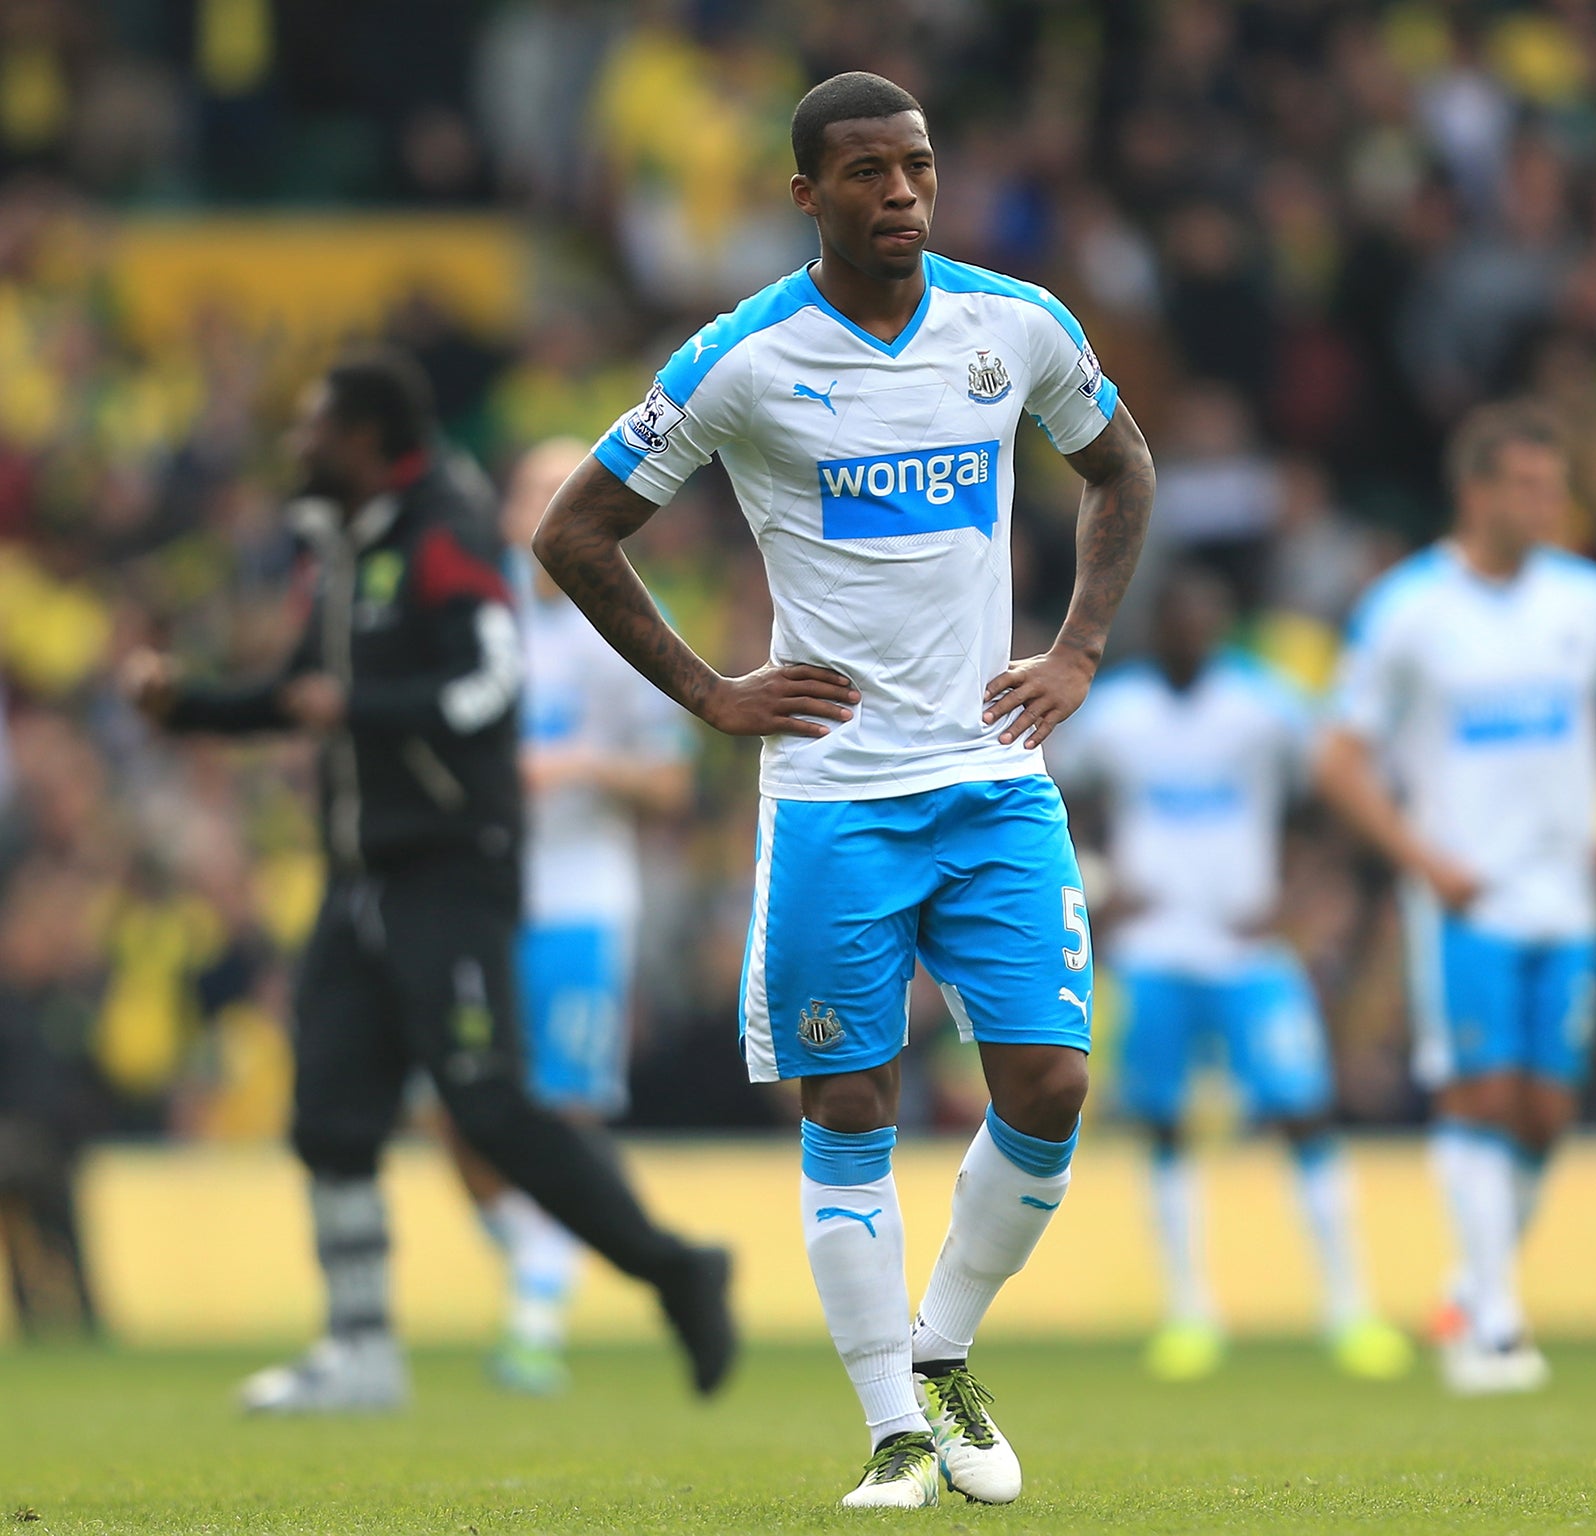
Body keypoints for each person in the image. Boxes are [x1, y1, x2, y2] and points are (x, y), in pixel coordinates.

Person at [529, 73, 1154, 1508]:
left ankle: (942, 1350)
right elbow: (577, 532)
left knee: (1053, 1080)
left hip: (993, 778)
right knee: (847, 1100)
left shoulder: (1016, 327)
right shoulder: (743, 359)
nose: (900, 195)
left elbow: (1119, 469)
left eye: (917, 169)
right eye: (866, 173)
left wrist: (1077, 647)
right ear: (806, 194)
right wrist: (711, 694)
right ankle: (892, 1428)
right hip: (834, 797)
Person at [122, 352, 734, 1414]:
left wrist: (356, 713)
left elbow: (483, 679)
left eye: (314, 426)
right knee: (331, 1114)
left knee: (489, 1105)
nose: (295, 445)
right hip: (362, 869)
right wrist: (195, 711)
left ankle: (675, 1268)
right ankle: (360, 1350)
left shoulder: (444, 533)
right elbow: (304, 694)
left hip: (452, 866)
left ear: (367, 442)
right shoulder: (339, 544)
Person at [1316, 399, 1596, 1394]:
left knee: (1543, 1111)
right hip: (1463, 895)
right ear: (1475, 491)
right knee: (1476, 1095)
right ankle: (1491, 1320)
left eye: (1555, 486)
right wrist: (1419, 857)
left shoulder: (1587, 601)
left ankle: (1469, 1284)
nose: (1547, 503)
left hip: (1564, 893)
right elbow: (1339, 757)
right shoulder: (1407, 608)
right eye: (1527, 485)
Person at [1052, 565, 1412, 1384]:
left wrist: (1300, 891)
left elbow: (1337, 782)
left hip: (1251, 947)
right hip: (1154, 952)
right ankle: (1190, 1314)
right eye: (1181, 618)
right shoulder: (1119, 711)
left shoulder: (1264, 704)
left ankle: (1348, 1310)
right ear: (1159, 626)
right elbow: (1051, 791)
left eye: (1207, 617)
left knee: (1304, 1113)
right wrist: (1095, 875)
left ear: (1222, 626)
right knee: (1165, 1125)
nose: (1193, 632)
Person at [440, 437, 695, 1395]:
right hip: (475, 891)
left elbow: (672, 782)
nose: (548, 506)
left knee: (565, 1106)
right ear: (507, 512)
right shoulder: (468, 614)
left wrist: (584, 768)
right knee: (455, 1105)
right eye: (532, 490)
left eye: (565, 488)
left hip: (583, 895)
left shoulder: (626, 617)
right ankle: (539, 1265)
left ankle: (537, 1317)